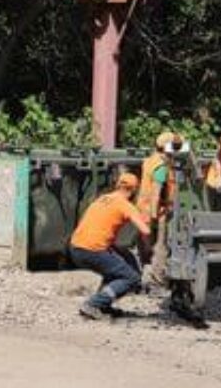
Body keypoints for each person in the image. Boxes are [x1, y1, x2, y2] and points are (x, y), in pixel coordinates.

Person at [70, 173, 152, 319]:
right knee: (130, 277)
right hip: (93, 250)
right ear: (134, 190)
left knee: (118, 266)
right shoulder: (125, 205)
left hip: (76, 247)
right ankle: (93, 304)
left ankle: (103, 305)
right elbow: (145, 230)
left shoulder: (103, 199)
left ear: (118, 185)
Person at [137, 131, 182, 289]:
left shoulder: (149, 160)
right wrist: (156, 215)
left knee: (144, 245)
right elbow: (156, 192)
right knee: (160, 246)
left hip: (142, 208)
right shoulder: (161, 167)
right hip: (156, 210)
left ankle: (140, 278)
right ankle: (157, 281)